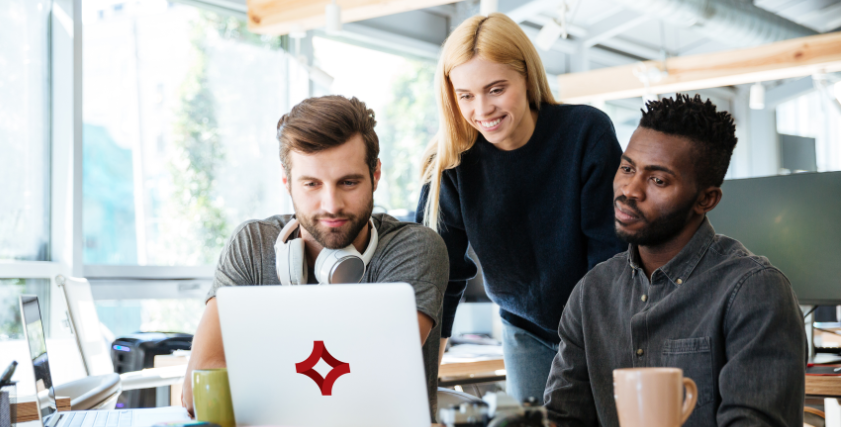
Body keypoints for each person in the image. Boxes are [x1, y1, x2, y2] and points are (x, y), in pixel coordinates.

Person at [544, 94, 807, 426]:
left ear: (706, 199)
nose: (630, 190)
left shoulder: (754, 292)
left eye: (658, 180)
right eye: (627, 168)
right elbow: (563, 417)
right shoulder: (591, 292)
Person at [182, 95, 449, 420]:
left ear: (376, 175)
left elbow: (371, 388)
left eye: (348, 182)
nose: (331, 204)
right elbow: (201, 387)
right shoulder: (251, 245)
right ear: (287, 182)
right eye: (311, 184)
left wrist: (252, 379)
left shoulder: (415, 248)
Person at [416, 13, 626, 403]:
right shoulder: (449, 163)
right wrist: (420, 385)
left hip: (601, 323)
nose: (482, 109)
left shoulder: (585, 132)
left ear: (526, 76)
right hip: (525, 329)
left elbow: (610, 259)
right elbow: (438, 279)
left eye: (496, 89)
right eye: (465, 95)